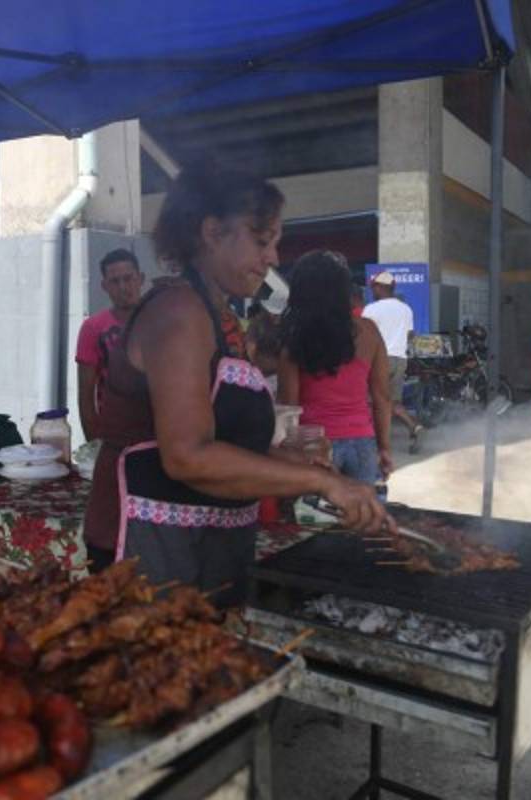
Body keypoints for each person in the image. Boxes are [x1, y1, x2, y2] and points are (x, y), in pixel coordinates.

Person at [81, 164, 390, 602]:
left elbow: (217, 436)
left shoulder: (219, 315)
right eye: (262, 241)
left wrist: (293, 463)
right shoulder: (179, 313)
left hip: (205, 544)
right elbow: (187, 456)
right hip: (148, 550)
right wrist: (321, 484)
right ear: (212, 232)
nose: (274, 258)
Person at [277, 252, 392, 487]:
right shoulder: (369, 331)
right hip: (362, 443)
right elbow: (383, 397)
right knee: (360, 519)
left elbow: (288, 406)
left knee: (314, 520)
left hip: (313, 448)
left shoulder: (295, 336)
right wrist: (384, 448)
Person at [75, 248, 145, 442]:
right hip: (115, 434)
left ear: (141, 279)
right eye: (115, 281)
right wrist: (94, 445)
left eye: (128, 278)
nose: (123, 287)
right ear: (104, 286)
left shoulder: (160, 320)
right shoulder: (93, 328)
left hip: (159, 431)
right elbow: (85, 396)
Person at [362, 271, 423, 451]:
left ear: (381, 288)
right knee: (392, 402)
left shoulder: (372, 309)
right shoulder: (406, 309)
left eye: (374, 287)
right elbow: (411, 335)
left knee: (371, 400)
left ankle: (376, 441)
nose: (372, 290)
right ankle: (413, 426)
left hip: (379, 359)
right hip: (399, 359)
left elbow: (365, 335)